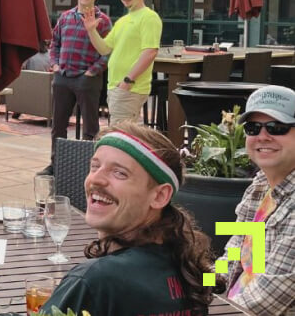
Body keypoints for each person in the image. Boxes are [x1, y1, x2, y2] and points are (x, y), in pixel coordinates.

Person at [41, 122, 220, 316]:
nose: (96, 179)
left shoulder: (92, 281)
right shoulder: (191, 271)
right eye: (95, 166)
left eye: (120, 173)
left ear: (160, 196)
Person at [222, 85, 295, 315]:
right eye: (253, 128)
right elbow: (237, 252)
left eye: (277, 127)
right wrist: (201, 283)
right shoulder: (260, 185)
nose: (263, 136)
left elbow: (266, 300)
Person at [37, 0, 112, 175]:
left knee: (91, 128)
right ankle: (56, 165)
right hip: (63, 77)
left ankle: (89, 169)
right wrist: (54, 65)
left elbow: (108, 52)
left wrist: (92, 71)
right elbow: (55, 43)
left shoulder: (102, 21)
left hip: (87, 79)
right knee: (58, 126)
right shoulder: (65, 17)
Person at [82, 0, 161, 126]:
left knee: (120, 136)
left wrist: (128, 80)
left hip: (129, 88)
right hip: (117, 88)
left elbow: (150, 52)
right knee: (122, 135)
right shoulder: (123, 21)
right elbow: (104, 49)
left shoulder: (149, 17)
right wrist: (91, 30)